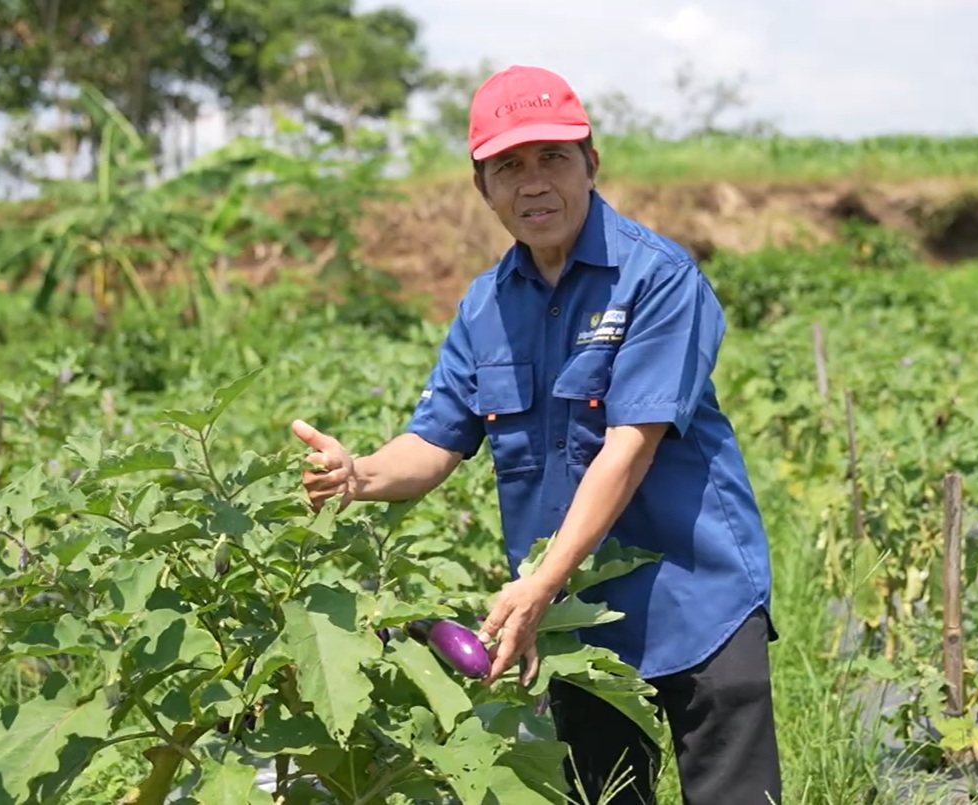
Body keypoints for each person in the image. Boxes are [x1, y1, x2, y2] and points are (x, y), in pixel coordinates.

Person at [291, 64, 782, 805]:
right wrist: (358, 476)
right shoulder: (485, 306)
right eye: (508, 166)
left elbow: (630, 445)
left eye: (553, 157)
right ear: (481, 185)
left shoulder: (657, 278)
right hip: (574, 621)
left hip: (694, 595)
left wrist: (540, 582)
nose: (533, 182)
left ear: (591, 162)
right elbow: (434, 441)